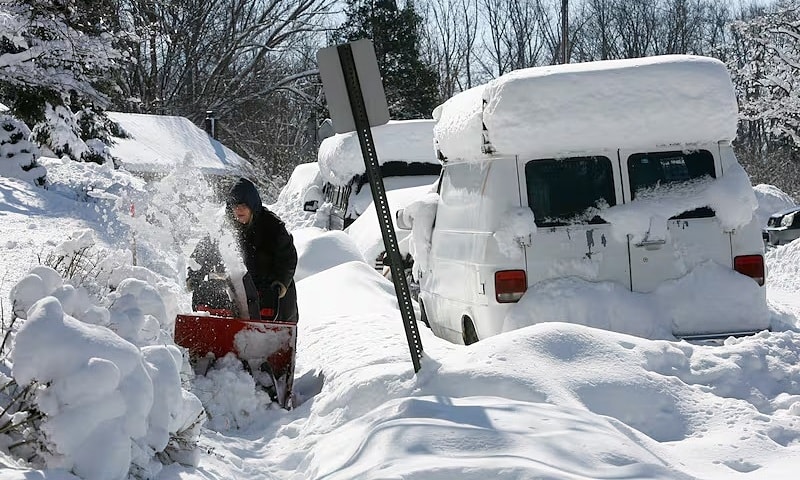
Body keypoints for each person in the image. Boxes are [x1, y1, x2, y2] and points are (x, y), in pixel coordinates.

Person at [226, 177, 299, 323]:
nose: (239, 209)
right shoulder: (227, 228)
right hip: (244, 296)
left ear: (252, 206)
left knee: (274, 335)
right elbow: (207, 248)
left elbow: (288, 258)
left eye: (243, 205)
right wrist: (195, 274)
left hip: (274, 300)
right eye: (235, 206)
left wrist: (281, 283)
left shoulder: (273, 226)